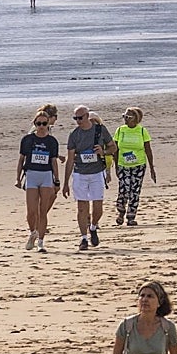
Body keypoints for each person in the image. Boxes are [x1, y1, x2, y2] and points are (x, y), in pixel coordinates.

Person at [63, 105, 117, 251]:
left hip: (97, 173)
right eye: (75, 118)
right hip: (80, 173)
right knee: (82, 207)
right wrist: (65, 182)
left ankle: (93, 227)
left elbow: (113, 148)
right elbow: (70, 160)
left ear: (87, 116)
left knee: (98, 207)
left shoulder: (100, 130)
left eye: (80, 118)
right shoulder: (74, 135)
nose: (78, 121)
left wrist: (103, 151)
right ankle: (83, 238)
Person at [17, 110, 59, 252]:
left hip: (46, 175)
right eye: (38, 123)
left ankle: (41, 241)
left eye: (44, 123)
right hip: (31, 175)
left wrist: (57, 180)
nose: (41, 126)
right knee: (31, 211)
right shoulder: (27, 139)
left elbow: (54, 162)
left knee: (43, 210)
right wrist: (18, 177)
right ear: (35, 124)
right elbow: (21, 159)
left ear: (48, 124)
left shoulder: (52, 141)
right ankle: (32, 232)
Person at [114, 107, 156, 227]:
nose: (125, 119)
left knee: (135, 191)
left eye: (128, 117)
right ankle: (121, 212)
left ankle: (131, 216)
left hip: (138, 165)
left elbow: (148, 150)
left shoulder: (142, 131)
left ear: (136, 119)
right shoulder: (120, 130)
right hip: (123, 165)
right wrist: (115, 165)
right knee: (124, 189)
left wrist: (152, 168)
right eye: (124, 117)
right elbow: (115, 149)